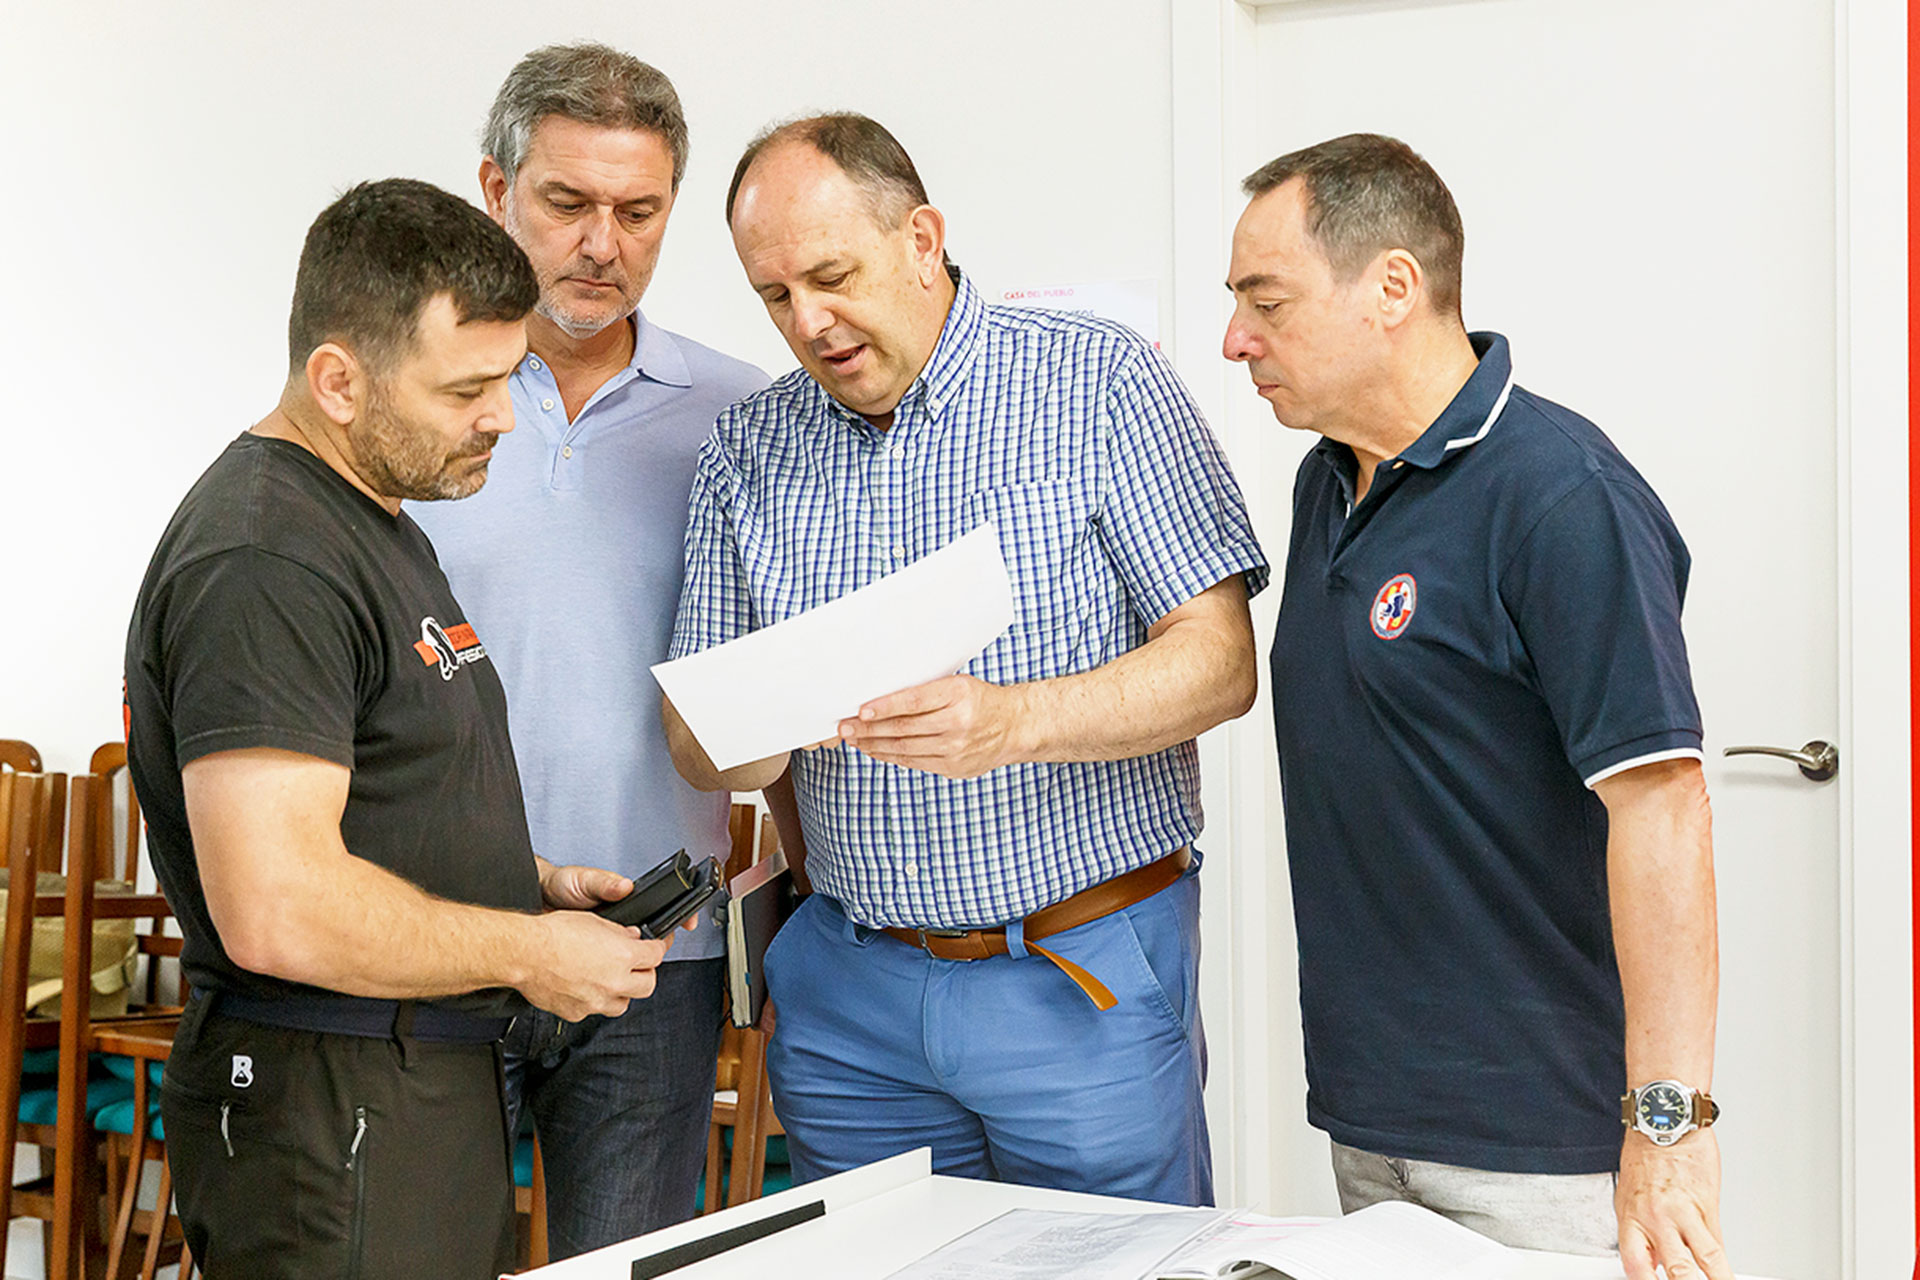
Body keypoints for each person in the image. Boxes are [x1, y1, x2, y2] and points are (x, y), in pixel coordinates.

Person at [662, 113, 1267, 1206]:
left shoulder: (1099, 381)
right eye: (775, 296)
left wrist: (1017, 720)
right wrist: (759, 723)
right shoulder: (746, 449)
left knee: (1114, 1270)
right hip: (851, 998)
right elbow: (702, 749)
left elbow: (1220, 663)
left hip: (1077, 978)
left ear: (922, 239)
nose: (809, 322)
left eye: (832, 277)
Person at [124, 178, 673, 1279]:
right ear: (338, 381)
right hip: (327, 1107)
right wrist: (528, 951)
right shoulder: (265, 559)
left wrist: (528, 884)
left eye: (508, 376)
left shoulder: (376, 518)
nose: (503, 416)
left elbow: (377, 798)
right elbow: (277, 907)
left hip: (406, 1086)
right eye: (467, 388)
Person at [1223, 133, 1729, 1279]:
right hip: (1374, 1118)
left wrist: (1669, 1132)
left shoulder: (1563, 498)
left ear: (1393, 286)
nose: (1236, 337)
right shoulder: (1326, 479)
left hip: (1544, 1147)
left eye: (1267, 300)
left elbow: (1665, 806)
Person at [406, 43, 767, 1253]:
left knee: (630, 1265)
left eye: (639, 211)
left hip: (651, 955)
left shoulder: (743, 414)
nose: (602, 244)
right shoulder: (410, 408)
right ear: (494, 191)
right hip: (439, 930)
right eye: (567, 202)